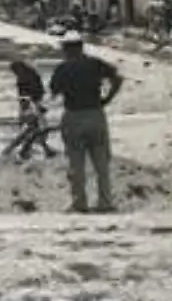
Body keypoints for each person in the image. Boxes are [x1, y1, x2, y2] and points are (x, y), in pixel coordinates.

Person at [48, 32, 122, 212]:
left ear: (66, 49)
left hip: (73, 115)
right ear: (81, 47)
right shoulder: (95, 64)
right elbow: (117, 78)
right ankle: (105, 201)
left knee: (76, 163)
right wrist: (108, 99)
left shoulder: (63, 68)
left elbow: (53, 91)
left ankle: (80, 203)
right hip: (95, 114)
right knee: (101, 162)